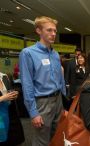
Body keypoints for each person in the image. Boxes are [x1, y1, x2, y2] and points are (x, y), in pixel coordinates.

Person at [19, 16, 66, 146]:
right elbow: (27, 85)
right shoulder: (28, 53)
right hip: (42, 103)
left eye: (55, 31)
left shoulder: (55, 54)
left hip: (58, 101)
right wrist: (33, 113)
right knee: (41, 141)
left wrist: (63, 102)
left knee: (56, 137)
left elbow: (59, 79)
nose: (53, 34)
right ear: (39, 31)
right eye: (49, 30)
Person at [0, 72, 25, 146]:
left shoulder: (4, 76)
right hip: (1, 117)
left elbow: (10, 90)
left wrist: (15, 94)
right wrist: (2, 98)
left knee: (15, 140)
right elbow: (4, 97)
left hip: (10, 114)